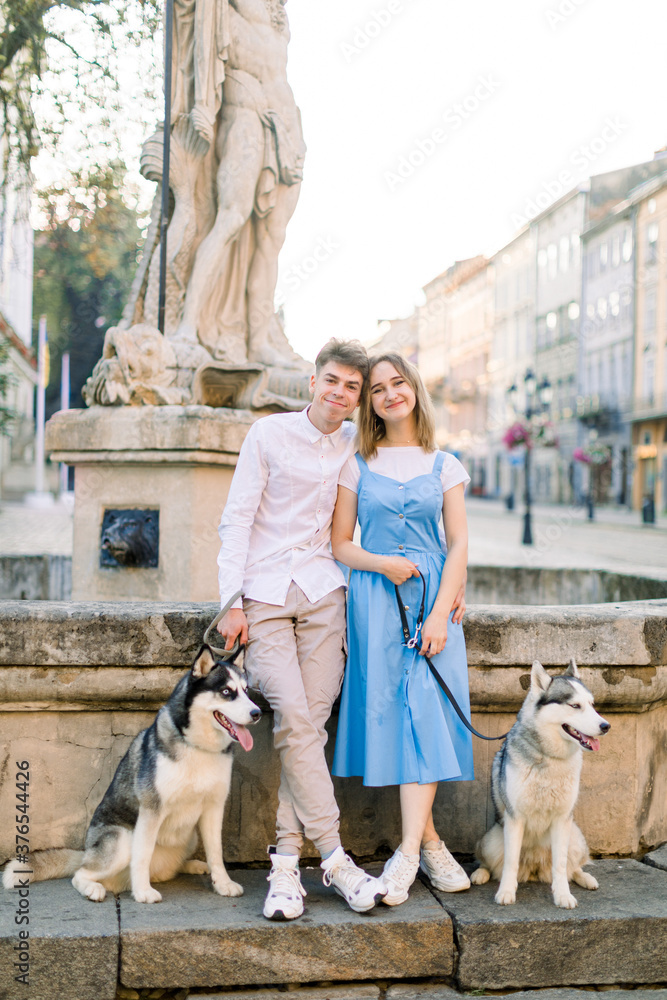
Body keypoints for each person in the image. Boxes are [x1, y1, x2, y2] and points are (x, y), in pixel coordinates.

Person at [215, 338, 387, 920]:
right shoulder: (267, 434)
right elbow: (236, 517)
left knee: (308, 725)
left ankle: (286, 868)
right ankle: (336, 860)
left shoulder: (355, 447)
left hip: (323, 593)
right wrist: (230, 602)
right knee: (292, 713)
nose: (341, 394)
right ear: (313, 382)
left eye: (353, 388)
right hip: (263, 594)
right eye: (333, 381)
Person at [331, 352, 473, 905]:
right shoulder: (356, 461)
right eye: (378, 389)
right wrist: (383, 563)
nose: (391, 394)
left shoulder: (445, 463)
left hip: (434, 598)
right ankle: (429, 845)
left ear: (414, 388)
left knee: (427, 713)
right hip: (375, 595)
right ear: (369, 402)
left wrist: (441, 612)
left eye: (399, 383)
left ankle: (408, 854)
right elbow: (341, 542)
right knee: (395, 714)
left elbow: (458, 542)